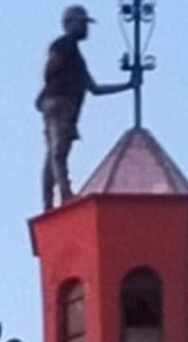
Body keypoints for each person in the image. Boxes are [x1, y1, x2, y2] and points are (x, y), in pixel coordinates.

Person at [37, 5, 139, 211]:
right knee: (59, 151)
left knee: (54, 153)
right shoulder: (63, 45)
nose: (86, 29)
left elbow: (94, 88)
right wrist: (55, 91)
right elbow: (50, 70)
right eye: (82, 23)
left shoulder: (76, 57)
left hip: (63, 105)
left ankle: (49, 201)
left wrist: (128, 85)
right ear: (69, 24)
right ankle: (64, 194)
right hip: (60, 104)